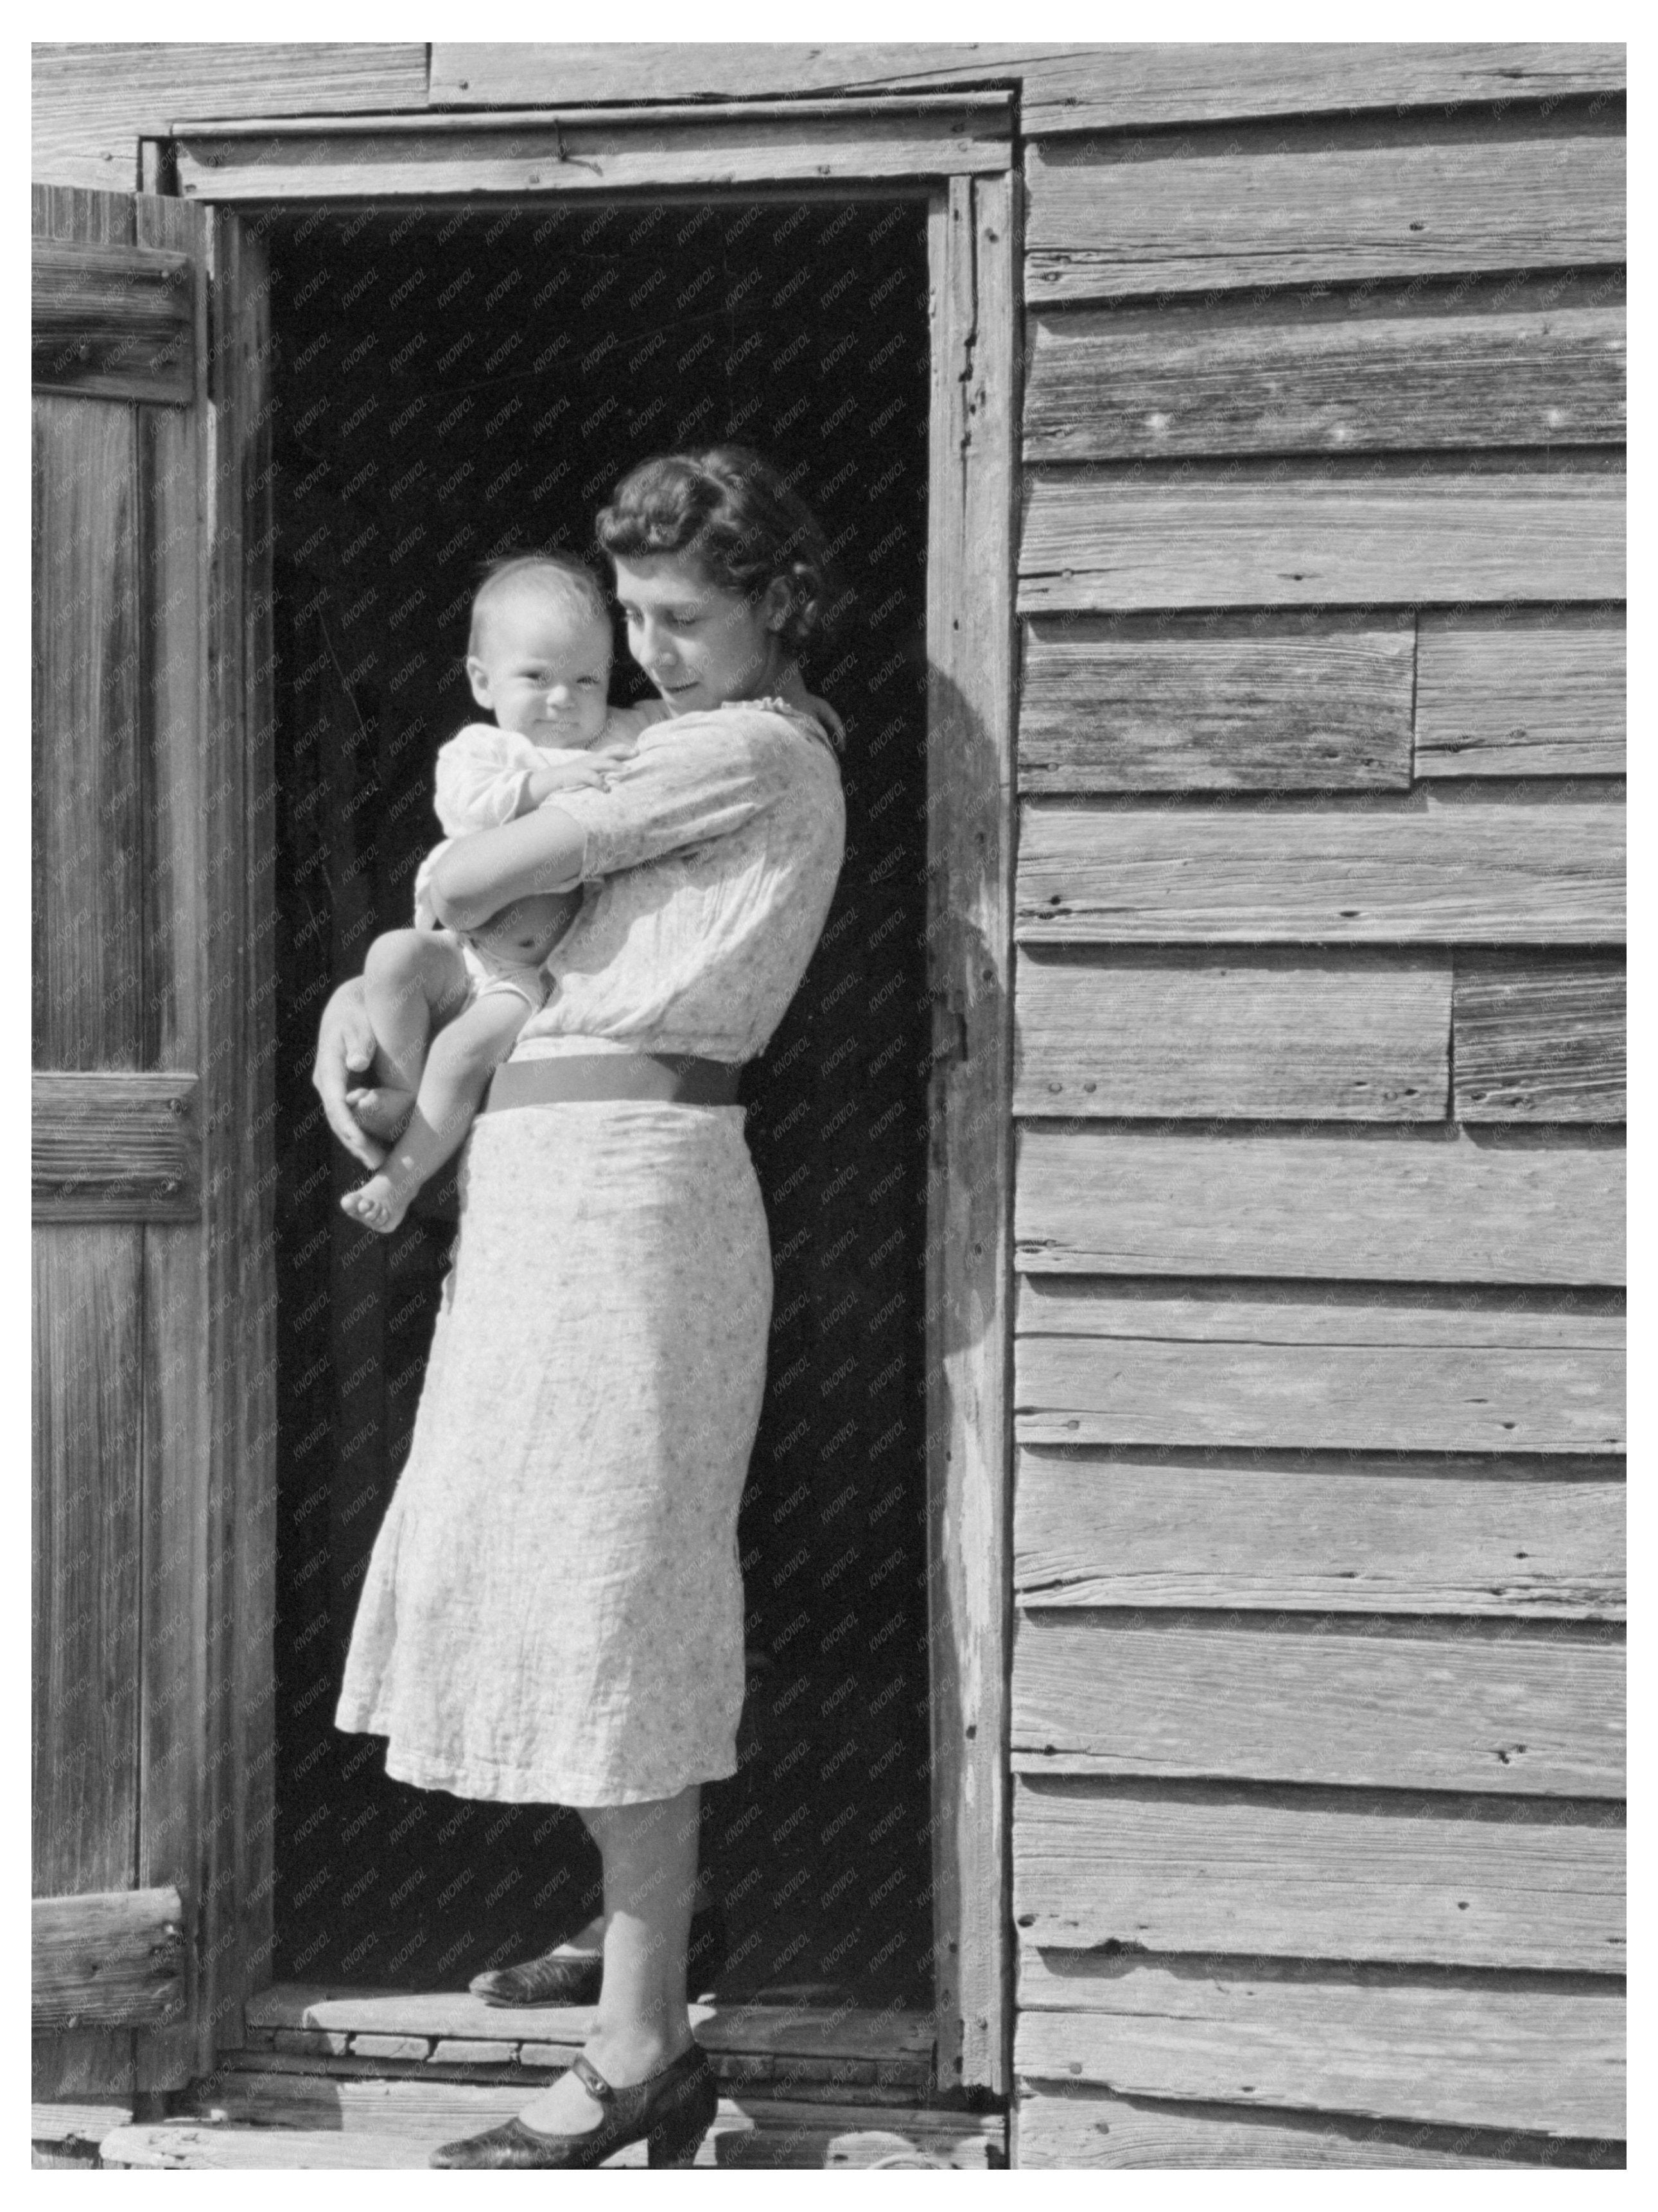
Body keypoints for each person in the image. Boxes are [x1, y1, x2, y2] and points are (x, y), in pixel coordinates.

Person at [312, 447, 847, 2170]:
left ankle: (638, 2049)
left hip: (637, 1191)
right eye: (627, 615)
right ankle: (646, 1939)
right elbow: (461, 931)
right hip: (543, 1185)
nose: (648, 646)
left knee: (617, 1572)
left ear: (777, 605)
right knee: (552, 1560)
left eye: (681, 616)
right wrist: (364, 997)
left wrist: (437, 921)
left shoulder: (752, 745)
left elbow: (469, 884)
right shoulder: (648, 744)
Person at [340, 556, 666, 1233]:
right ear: (481, 681)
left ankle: (399, 1180)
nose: (563, 699)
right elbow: (470, 810)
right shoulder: (481, 751)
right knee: (391, 957)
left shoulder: (619, 735)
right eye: (536, 677)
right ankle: (399, 1091)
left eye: (587, 679)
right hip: (456, 946)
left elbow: (698, 716)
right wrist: (552, 784)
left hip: (526, 975)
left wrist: (785, 691)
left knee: (461, 1055)